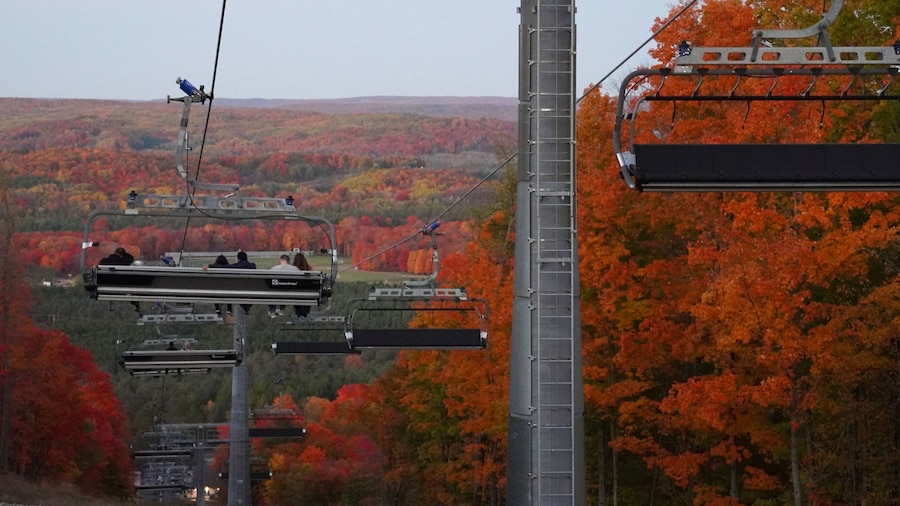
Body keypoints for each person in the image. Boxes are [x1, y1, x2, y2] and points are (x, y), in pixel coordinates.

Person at [98, 247, 141, 313]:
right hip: (119, 287)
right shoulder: (123, 264)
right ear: (121, 255)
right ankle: (136, 305)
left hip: (103, 286)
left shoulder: (103, 261)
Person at [292, 252, 313, 319]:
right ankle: (306, 312)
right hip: (308, 293)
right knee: (308, 292)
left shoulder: (293, 270)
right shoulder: (309, 269)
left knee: (295, 293)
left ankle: (298, 312)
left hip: (295, 292)